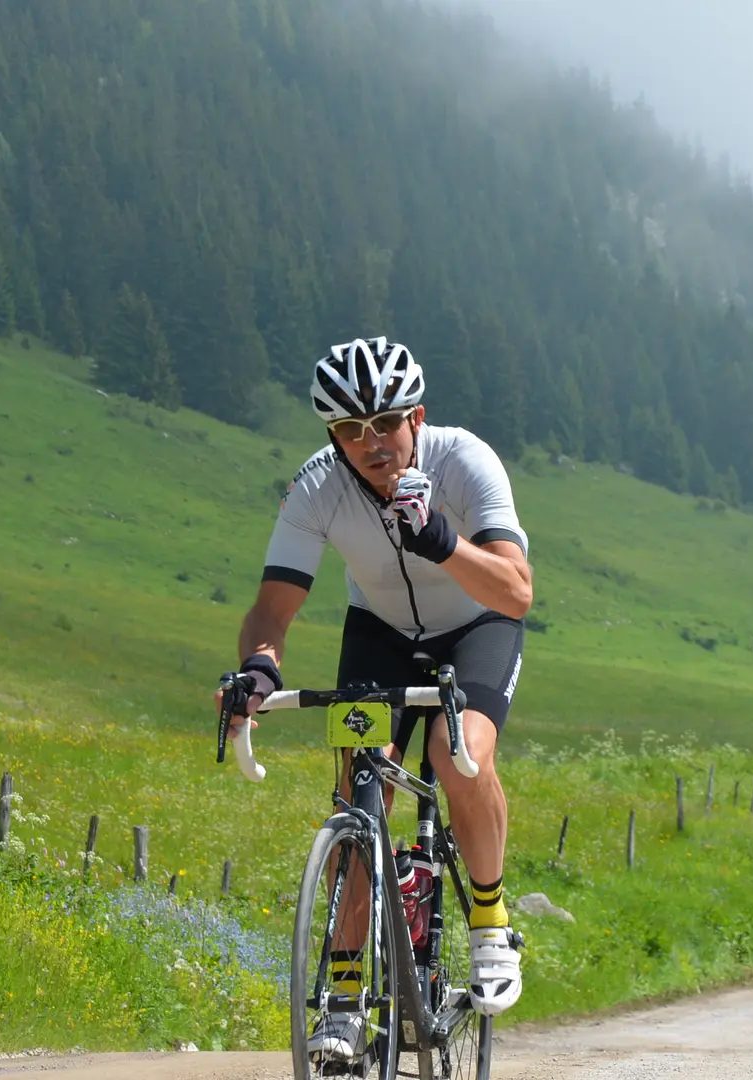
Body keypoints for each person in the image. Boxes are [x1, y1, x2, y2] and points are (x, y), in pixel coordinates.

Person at [216, 336, 533, 1062]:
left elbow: (515, 593)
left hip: (475, 626)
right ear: (332, 437)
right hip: (380, 635)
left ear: (415, 417)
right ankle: (345, 994)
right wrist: (257, 670)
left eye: (385, 423)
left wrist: (442, 541)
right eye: (350, 431)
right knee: (358, 797)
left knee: (458, 758)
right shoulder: (317, 488)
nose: (371, 443)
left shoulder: (464, 460)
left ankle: (488, 921)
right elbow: (272, 610)